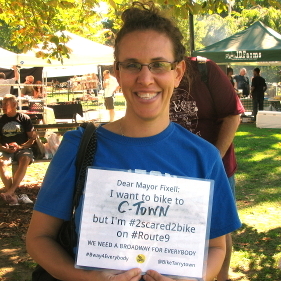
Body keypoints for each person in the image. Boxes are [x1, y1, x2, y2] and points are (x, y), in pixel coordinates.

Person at [26, 2, 241, 281]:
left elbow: (216, 247)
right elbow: (39, 238)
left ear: (178, 73)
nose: (145, 78)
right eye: (131, 65)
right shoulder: (79, 145)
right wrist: (89, 279)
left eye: (158, 65)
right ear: (116, 72)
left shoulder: (204, 156)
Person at [170, 57, 244, 281]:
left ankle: (221, 278)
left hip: (216, 168)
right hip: (174, 171)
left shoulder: (204, 69)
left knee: (218, 231)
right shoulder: (155, 73)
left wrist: (214, 162)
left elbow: (233, 115)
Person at [0, 94, 36, 205]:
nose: (3, 107)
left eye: (6, 104)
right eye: (2, 104)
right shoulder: (1, 120)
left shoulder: (24, 118)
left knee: (25, 159)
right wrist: (3, 148)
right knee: (1, 162)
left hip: (22, 148)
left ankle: (10, 192)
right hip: (6, 150)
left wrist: (21, 146)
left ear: (15, 105)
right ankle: (14, 195)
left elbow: (32, 138)